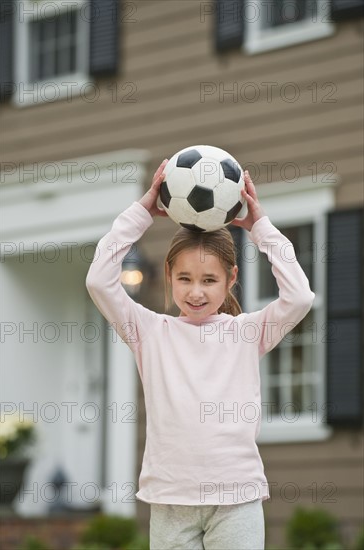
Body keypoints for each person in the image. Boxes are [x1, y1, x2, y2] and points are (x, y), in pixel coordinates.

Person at [86, 158, 315, 550]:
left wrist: (261, 228)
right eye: (185, 279)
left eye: (210, 280)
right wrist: (142, 213)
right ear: (170, 275)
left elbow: (299, 296)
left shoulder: (247, 333)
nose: (196, 292)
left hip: (235, 497)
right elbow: (99, 280)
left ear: (231, 280)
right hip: (171, 498)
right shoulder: (150, 332)